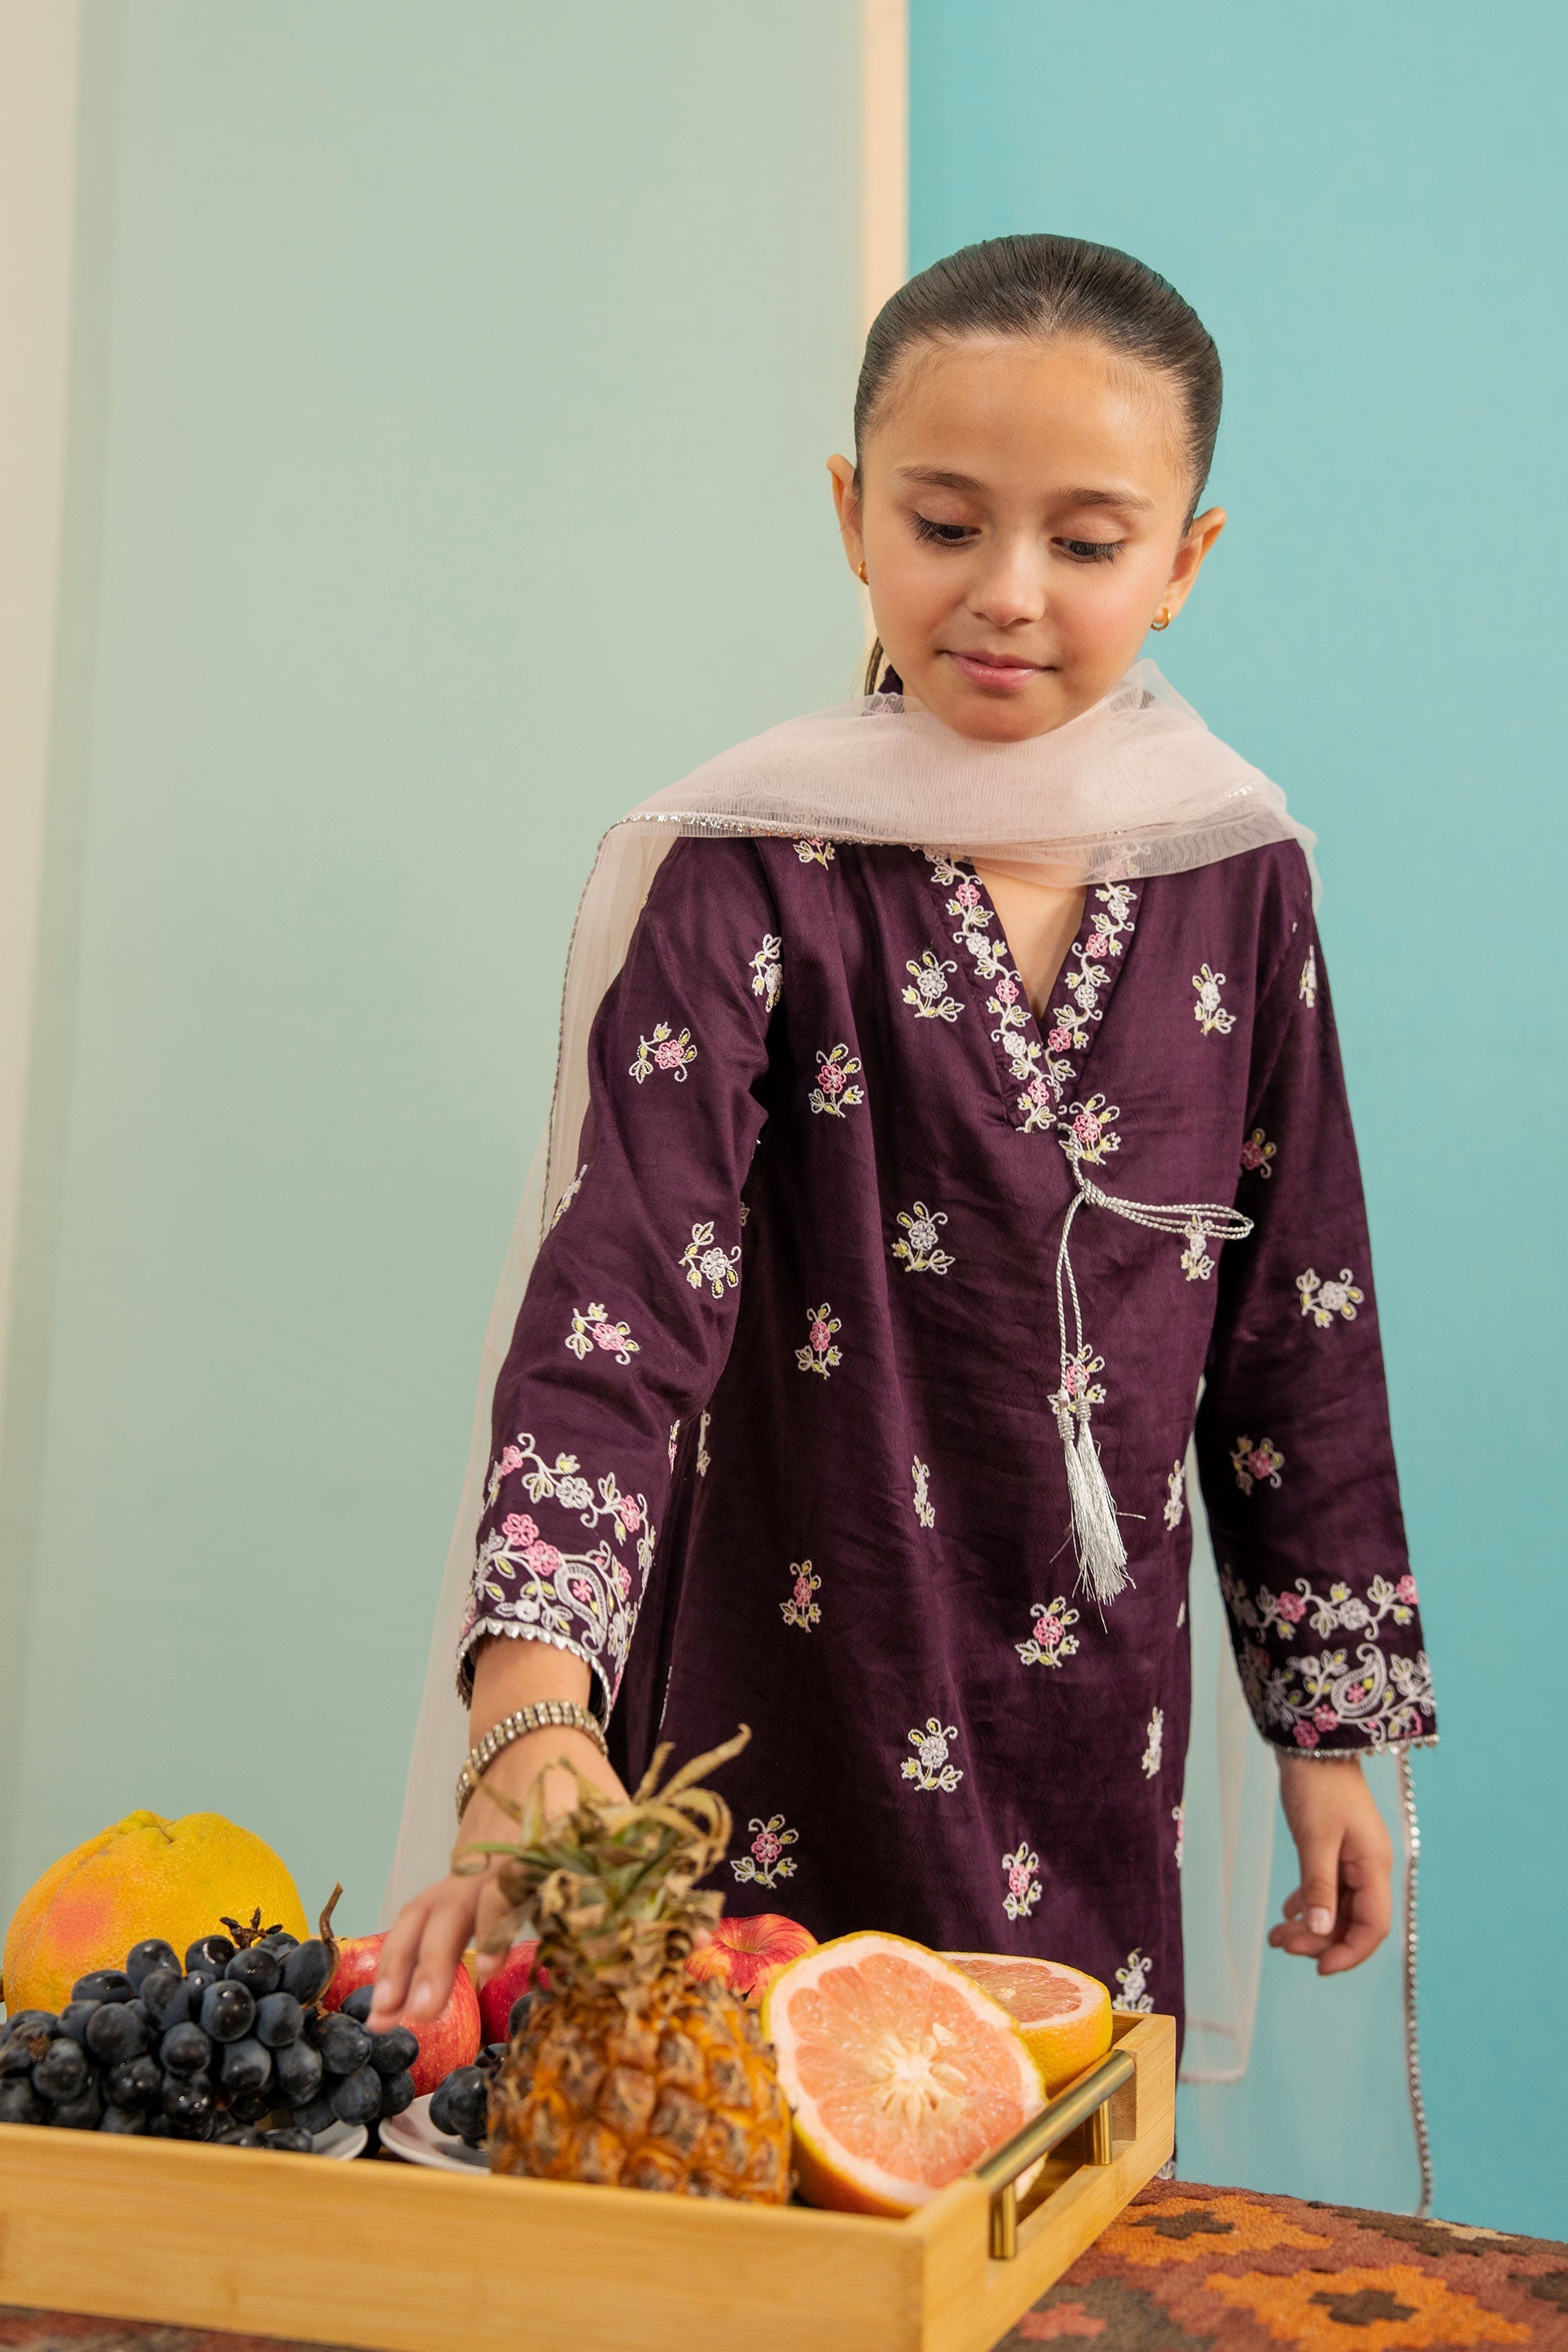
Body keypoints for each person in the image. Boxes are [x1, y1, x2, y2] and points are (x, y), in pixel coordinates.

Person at [371, 236, 1435, 2051]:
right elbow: (622, 1299)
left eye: (1086, 544)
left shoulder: (1241, 876)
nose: (1007, 593)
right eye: (945, 524)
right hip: (763, 1698)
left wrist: (1328, 1734)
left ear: (1185, 561)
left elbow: (1296, 1318)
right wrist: (532, 1705)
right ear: (853, 513)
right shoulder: (751, 868)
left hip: (1091, 1733)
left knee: (1042, 2174)